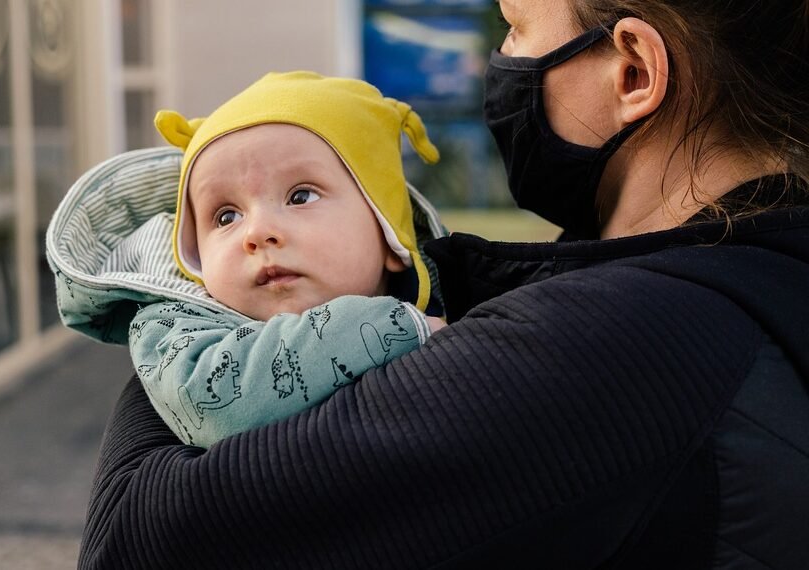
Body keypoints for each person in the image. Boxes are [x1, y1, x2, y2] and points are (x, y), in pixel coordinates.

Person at [77, 0, 809, 568]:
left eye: (516, 27)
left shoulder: (624, 345)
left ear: (632, 73)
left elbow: (136, 538)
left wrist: (176, 302)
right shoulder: (728, 268)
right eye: (225, 217)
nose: (501, 59)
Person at [48, 71, 447, 448]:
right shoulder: (173, 328)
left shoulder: (463, 299)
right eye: (226, 216)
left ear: (389, 237)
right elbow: (212, 401)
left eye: (300, 196)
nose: (257, 233)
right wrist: (396, 327)